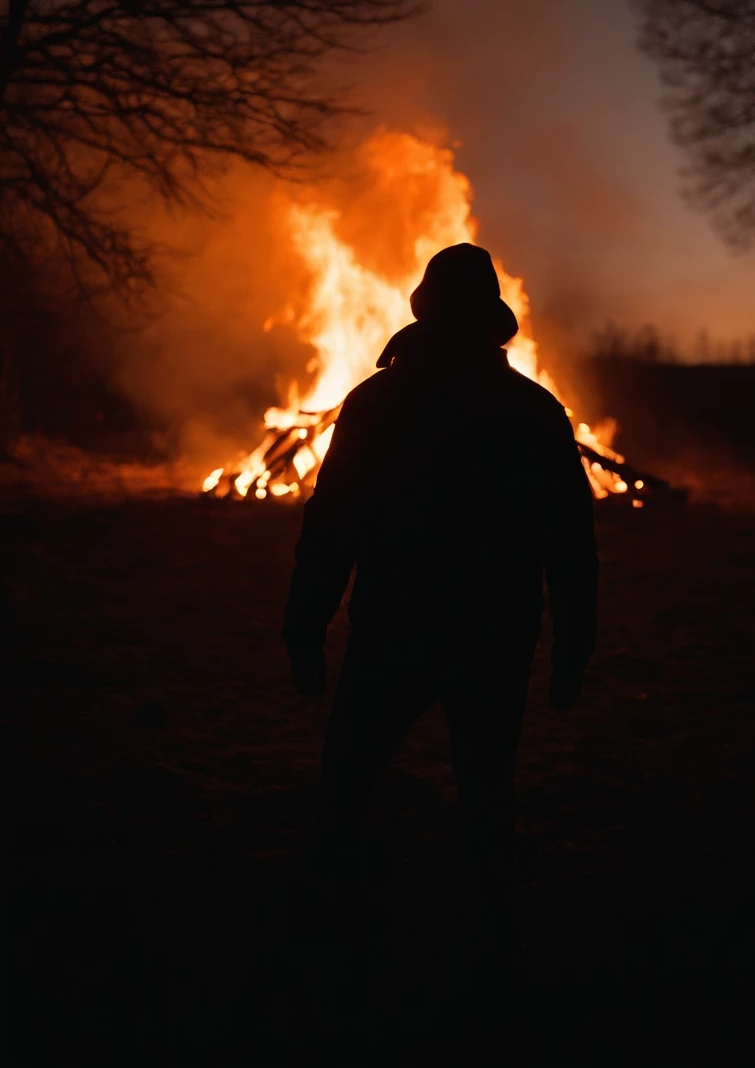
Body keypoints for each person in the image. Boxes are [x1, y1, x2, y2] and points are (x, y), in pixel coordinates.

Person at [283, 242, 597, 976]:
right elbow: (571, 541)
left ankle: (332, 930)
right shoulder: (534, 409)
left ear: (424, 313)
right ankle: (490, 940)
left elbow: (333, 523)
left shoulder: (377, 401)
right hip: (497, 635)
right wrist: (573, 646)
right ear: (492, 325)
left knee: (349, 778)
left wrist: (305, 627)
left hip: (394, 629)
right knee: (486, 786)